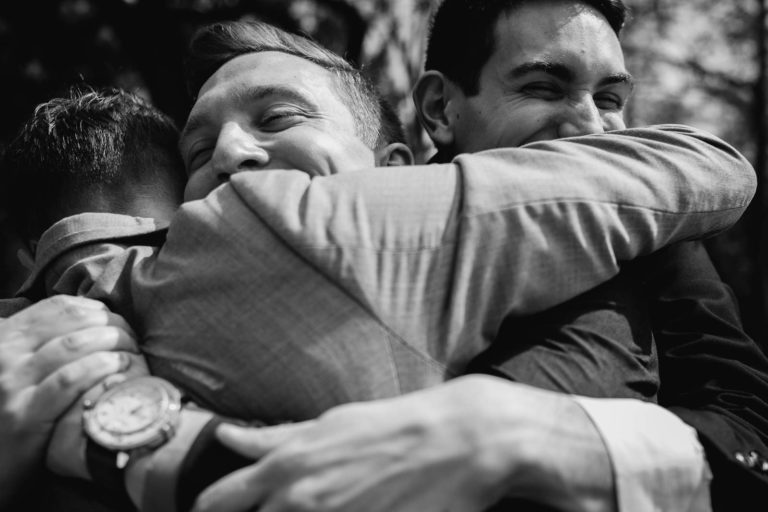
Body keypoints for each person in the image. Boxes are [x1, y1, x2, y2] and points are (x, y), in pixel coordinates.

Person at [0, 16, 757, 512]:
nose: (592, 125)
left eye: (615, 98)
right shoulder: (299, 230)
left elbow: (747, 424)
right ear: (436, 112)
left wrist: (538, 433)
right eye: (543, 85)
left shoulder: (652, 250)